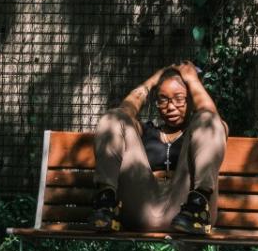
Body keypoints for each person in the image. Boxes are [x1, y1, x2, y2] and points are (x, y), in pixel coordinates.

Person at [90, 61, 227, 234]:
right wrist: (151, 82)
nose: (170, 107)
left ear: (191, 100)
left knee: (209, 120)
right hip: (141, 206)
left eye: (179, 99)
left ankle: (198, 205)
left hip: (187, 210)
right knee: (114, 117)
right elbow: (124, 112)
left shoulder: (198, 133)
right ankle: (106, 205)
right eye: (163, 99)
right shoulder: (145, 131)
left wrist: (193, 81)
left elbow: (212, 119)